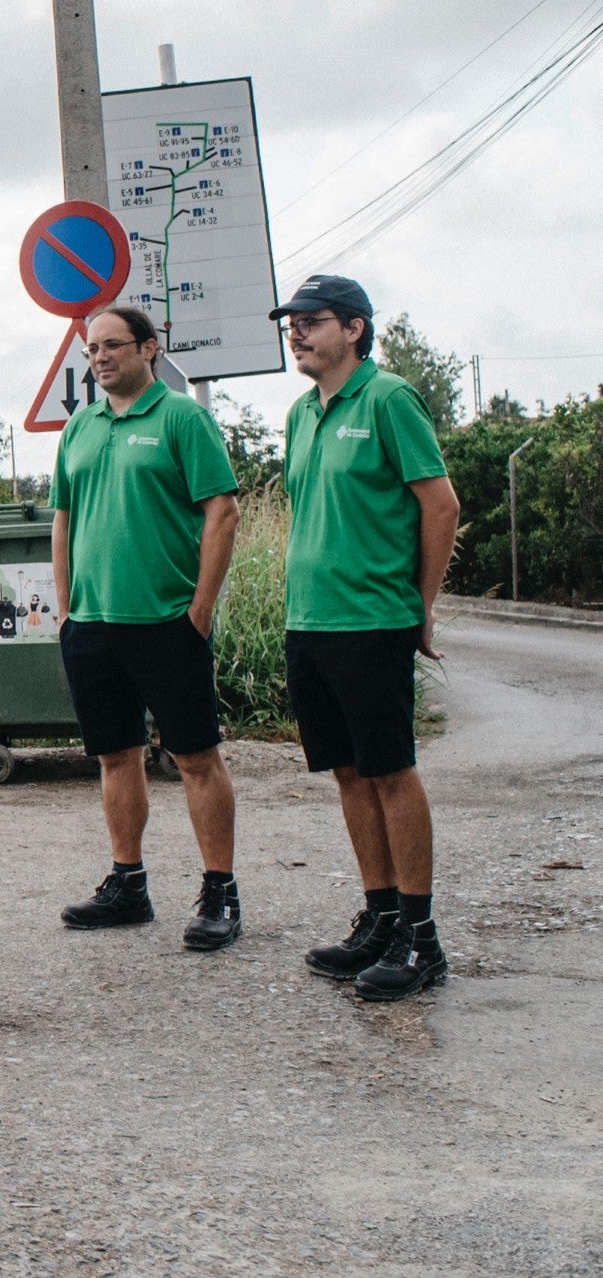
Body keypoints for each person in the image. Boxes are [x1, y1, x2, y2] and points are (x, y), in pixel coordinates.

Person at [271, 275, 461, 1001]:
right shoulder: (300, 414)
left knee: (390, 770)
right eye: (291, 323)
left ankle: (422, 939)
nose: (296, 332)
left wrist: (420, 604)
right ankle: (380, 918)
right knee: (348, 773)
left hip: (373, 620)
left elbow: (439, 504)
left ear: (353, 328)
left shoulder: (388, 400)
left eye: (311, 321)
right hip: (311, 621)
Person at [50, 305, 244, 950]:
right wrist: (66, 606)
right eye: (91, 348)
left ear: (149, 349)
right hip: (93, 623)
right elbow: (63, 519)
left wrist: (200, 610)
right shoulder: (79, 427)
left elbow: (222, 511)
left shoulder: (183, 418)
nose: (100, 357)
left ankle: (220, 892)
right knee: (115, 756)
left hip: (166, 620)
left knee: (194, 758)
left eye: (112, 345)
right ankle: (127, 884)